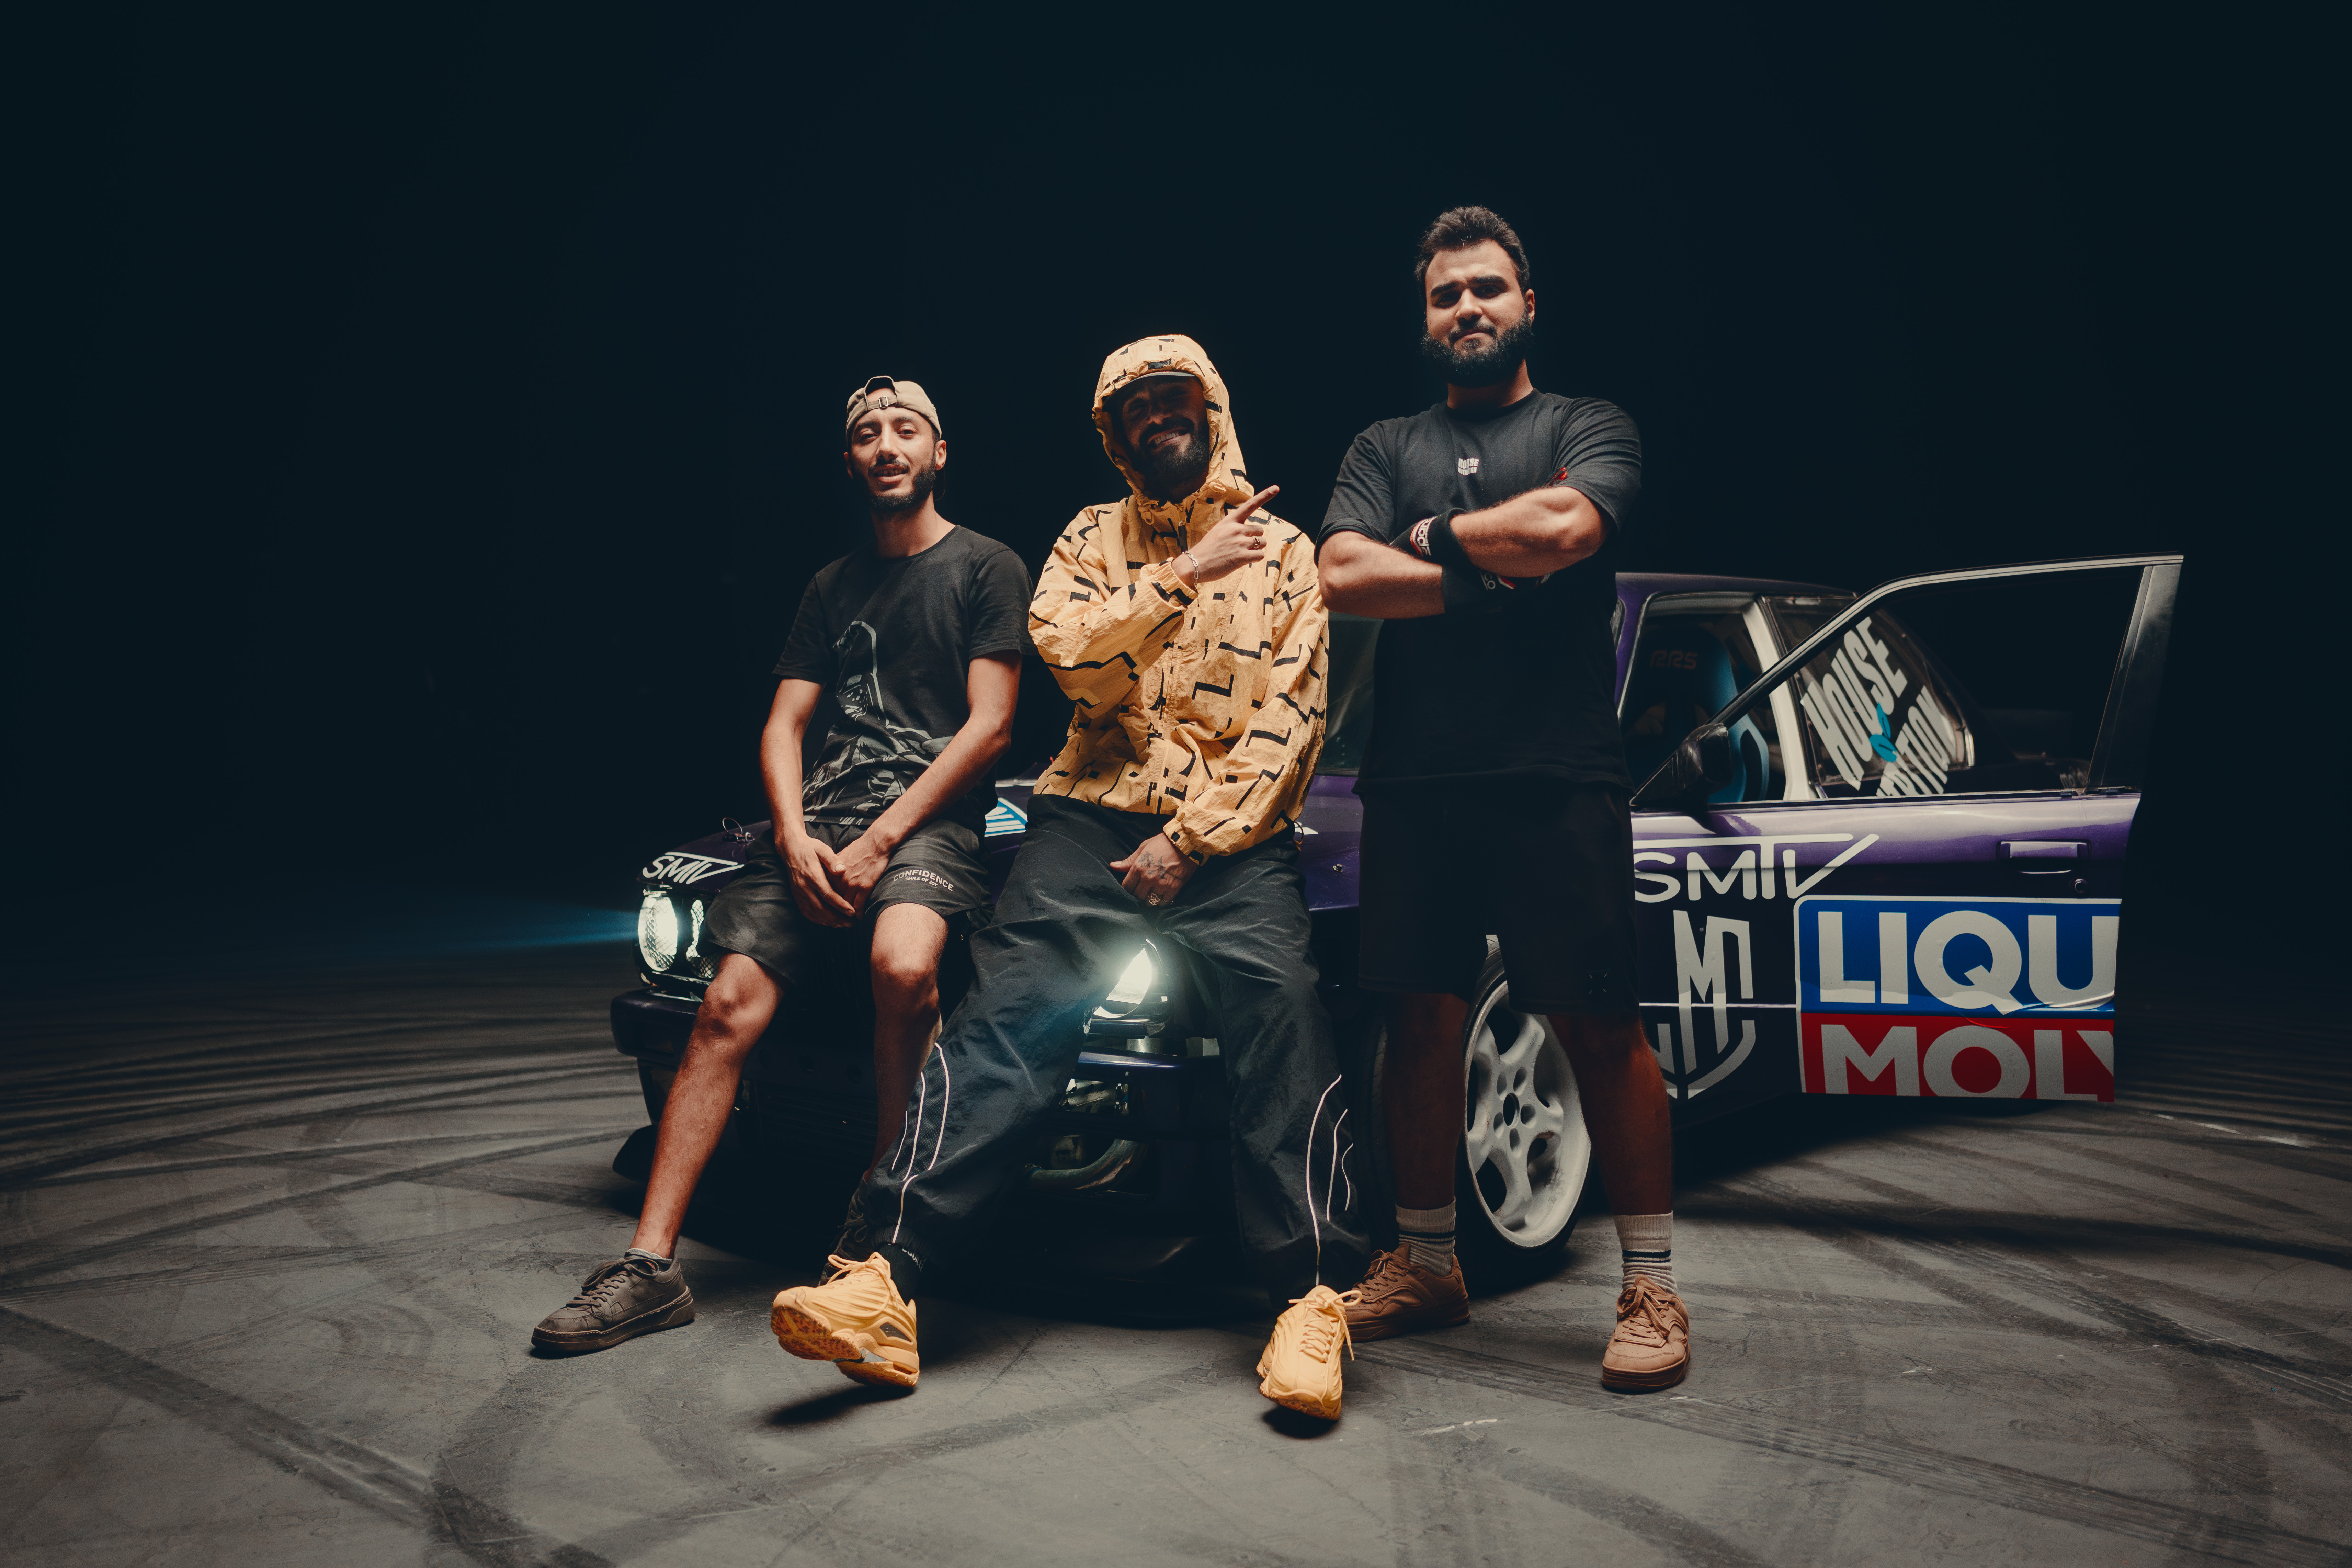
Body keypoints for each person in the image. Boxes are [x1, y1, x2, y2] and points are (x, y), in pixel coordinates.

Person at [767, 335, 1370, 1418]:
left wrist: (1191, 841)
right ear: (1114, 432)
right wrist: (1182, 576)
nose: (1158, 415)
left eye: (1174, 397)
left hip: (1229, 840)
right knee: (1006, 1018)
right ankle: (882, 1280)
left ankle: (1312, 1300)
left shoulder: (1287, 551)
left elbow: (1293, 724)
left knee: (1282, 1013)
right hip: (1088, 818)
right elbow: (1074, 663)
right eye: (1135, 406)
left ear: (1211, 408)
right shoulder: (1088, 539)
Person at [532, 376, 1030, 1353]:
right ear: (850, 462)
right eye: (867, 433)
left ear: (938, 453)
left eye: (906, 429)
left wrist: (881, 841)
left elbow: (991, 728)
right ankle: (649, 1267)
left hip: (926, 825)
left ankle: (880, 1250)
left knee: (903, 967)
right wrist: (795, 836)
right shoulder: (830, 585)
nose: (886, 445)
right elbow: (783, 726)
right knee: (725, 1007)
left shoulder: (987, 565)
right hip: (821, 822)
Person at [1315, 207, 1689, 1392]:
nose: (1466, 308)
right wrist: (1489, 573)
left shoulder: (1586, 426)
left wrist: (1430, 538)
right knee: (1421, 1020)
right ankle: (1428, 1263)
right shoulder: (1384, 443)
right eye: (1445, 295)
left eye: (1486, 288)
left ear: (1527, 304)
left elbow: (1567, 525)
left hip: (1554, 771)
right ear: (1424, 318)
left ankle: (1651, 1287)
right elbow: (1340, 572)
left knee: (1597, 1024)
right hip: (1417, 776)